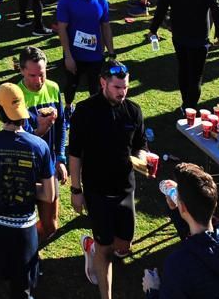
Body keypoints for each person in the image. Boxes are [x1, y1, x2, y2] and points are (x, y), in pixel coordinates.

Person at [68, 61, 147, 299]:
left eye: (125, 87)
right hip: (97, 190)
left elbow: (140, 145)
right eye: (116, 87)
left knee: (124, 246)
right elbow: (75, 153)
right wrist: (75, 189)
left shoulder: (133, 111)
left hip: (125, 189)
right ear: (103, 83)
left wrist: (142, 160)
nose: (122, 92)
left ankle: (91, 247)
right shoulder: (85, 111)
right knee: (106, 250)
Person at [0, 82, 55, 299]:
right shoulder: (39, 146)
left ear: (0, 111)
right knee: (22, 288)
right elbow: (49, 195)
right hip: (24, 231)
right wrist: (27, 189)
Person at [142, 163, 219, 299]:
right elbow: (200, 238)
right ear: (214, 203)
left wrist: (152, 289)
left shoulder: (179, 264)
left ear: (184, 207)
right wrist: (177, 210)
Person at [149, 0, 219, 110]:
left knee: (183, 69)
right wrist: (218, 33)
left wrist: (153, 30)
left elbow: (160, 10)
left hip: (180, 37)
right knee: (196, 76)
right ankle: (190, 106)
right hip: (200, 39)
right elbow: (217, 11)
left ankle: (186, 104)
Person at [16, 46, 67, 242]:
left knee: (50, 226)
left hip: (49, 166)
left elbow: (62, 125)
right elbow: (22, 137)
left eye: (42, 74)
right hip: (24, 168)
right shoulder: (16, 94)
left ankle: (28, 246)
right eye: (32, 75)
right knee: (21, 222)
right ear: (21, 71)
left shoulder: (53, 88)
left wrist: (60, 157)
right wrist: (41, 131)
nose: (38, 81)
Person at [56, 0, 114, 106]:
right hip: (75, 56)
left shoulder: (101, 1)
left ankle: (94, 115)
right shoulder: (67, 0)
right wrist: (68, 56)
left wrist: (111, 53)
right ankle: (68, 108)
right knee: (71, 86)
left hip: (95, 56)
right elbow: (62, 29)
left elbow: (106, 27)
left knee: (96, 90)